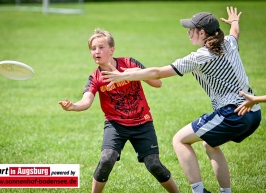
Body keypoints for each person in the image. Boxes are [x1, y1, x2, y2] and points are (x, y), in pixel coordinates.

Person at [101, 7, 262, 193]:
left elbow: (159, 72)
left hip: (233, 113)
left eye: (191, 29)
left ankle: (198, 191)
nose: (188, 33)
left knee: (179, 140)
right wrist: (234, 21)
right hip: (254, 112)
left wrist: (125, 76)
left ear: (202, 33)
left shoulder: (200, 57)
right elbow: (235, 33)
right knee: (210, 144)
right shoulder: (228, 42)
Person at [58, 28, 180, 193]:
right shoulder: (95, 77)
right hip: (115, 125)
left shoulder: (130, 63)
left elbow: (158, 83)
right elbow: (86, 101)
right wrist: (73, 106)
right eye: (93, 48)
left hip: (142, 122)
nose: (97, 52)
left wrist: (134, 74)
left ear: (112, 50)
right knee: (107, 159)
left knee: (154, 165)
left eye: (101, 47)